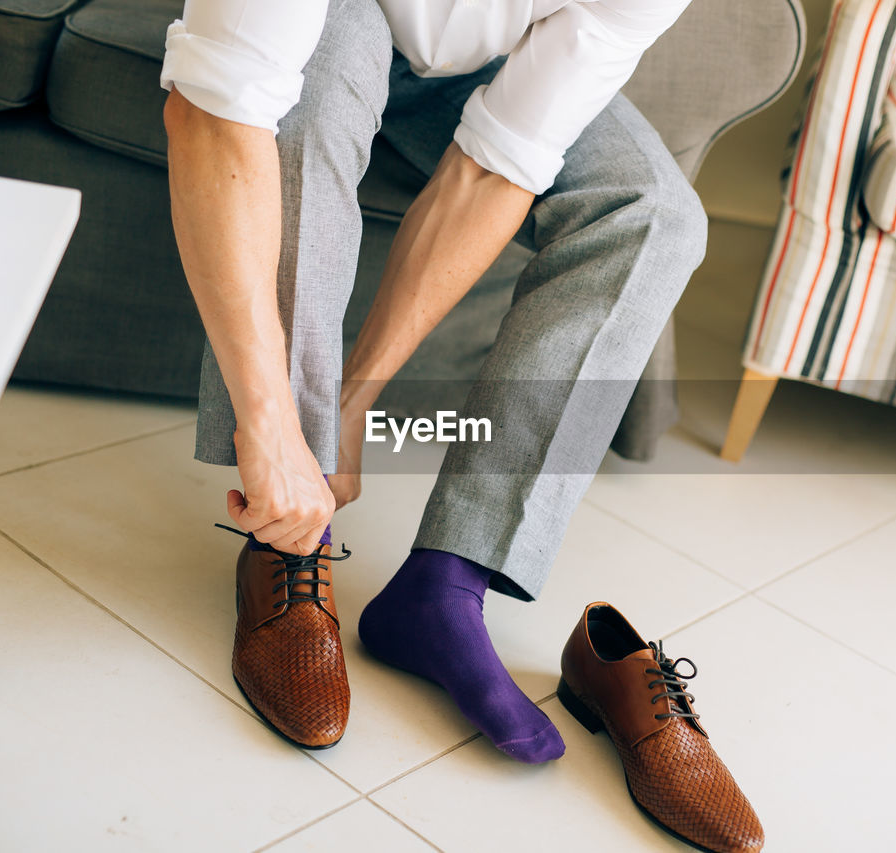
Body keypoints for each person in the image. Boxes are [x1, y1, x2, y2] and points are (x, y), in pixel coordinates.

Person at [160, 0, 707, 761]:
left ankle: (444, 587)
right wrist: (273, 419)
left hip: (476, 56)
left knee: (653, 212)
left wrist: (355, 400)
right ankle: (289, 537)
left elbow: (499, 161)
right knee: (308, 106)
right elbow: (219, 111)